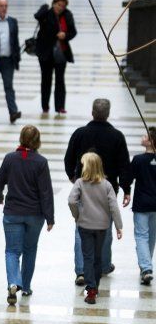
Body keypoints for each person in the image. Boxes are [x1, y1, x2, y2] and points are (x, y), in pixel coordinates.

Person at [65, 99, 131, 284]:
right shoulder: (117, 136)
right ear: (108, 113)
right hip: (107, 187)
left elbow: (68, 157)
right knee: (105, 227)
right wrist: (126, 189)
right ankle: (102, 265)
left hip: (83, 186)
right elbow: (124, 165)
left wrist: (73, 176)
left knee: (80, 229)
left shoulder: (80, 134)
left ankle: (81, 270)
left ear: (92, 112)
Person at [0, 125, 55, 306]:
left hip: (13, 212)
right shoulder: (41, 162)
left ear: (21, 138)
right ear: (38, 141)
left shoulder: (10, 159)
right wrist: (50, 217)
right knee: (30, 250)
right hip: (35, 215)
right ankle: (26, 286)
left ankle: (13, 282)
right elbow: (46, 192)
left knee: (12, 251)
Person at [69, 153, 123, 304]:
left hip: (85, 225)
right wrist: (119, 226)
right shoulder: (106, 185)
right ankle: (95, 286)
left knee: (88, 256)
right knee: (97, 257)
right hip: (102, 226)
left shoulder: (80, 183)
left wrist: (77, 215)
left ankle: (91, 289)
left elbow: (71, 200)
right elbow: (114, 207)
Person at [35, 0, 76, 116]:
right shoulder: (46, 14)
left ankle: (60, 107)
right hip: (46, 53)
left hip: (61, 53)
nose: (60, 7)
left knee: (60, 81)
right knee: (46, 80)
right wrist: (44, 7)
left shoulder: (67, 15)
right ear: (53, 4)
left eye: (63, 6)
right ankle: (45, 106)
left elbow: (73, 32)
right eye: (58, 4)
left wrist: (65, 35)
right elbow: (37, 16)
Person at [125, 127, 156, 285]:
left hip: (142, 204)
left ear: (150, 141)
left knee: (141, 236)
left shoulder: (138, 160)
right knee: (151, 237)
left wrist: (126, 191)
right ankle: (146, 265)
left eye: (145, 135)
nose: (142, 136)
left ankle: (146, 267)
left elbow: (129, 178)